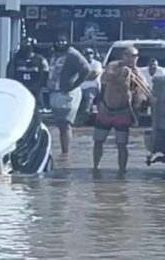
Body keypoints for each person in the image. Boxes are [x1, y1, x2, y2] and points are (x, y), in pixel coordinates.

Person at [93, 46, 152, 174]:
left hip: (123, 111)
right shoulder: (114, 65)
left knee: (122, 144)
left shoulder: (138, 73)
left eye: (134, 56)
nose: (131, 58)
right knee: (98, 141)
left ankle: (121, 171)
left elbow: (145, 91)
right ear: (123, 55)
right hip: (106, 109)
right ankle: (95, 167)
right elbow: (105, 78)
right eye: (128, 55)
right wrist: (120, 73)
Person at [47, 34, 97, 157]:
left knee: (65, 124)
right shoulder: (55, 53)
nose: (61, 43)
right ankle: (64, 152)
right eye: (58, 41)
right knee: (59, 124)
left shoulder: (73, 54)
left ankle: (66, 154)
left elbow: (85, 70)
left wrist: (74, 84)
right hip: (55, 92)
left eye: (63, 41)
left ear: (68, 42)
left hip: (68, 93)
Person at [7, 37, 49, 110]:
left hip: (35, 91)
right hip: (19, 90)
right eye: (24, 43)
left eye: (29, 44)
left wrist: (36, 86)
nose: (27, 46)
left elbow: (44, 76)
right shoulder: (15, 59)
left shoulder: (41, 60)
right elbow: (10, 75)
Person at [79, 48, 103, 123]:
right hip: (79, 87)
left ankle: (83, 120)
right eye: (86, 54)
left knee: (89, 98)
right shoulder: (80, 63)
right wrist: (85, 77)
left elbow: (94, 75)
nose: (89, 55)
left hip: (93, 87)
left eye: (90, 53)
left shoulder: (97, 64)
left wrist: (82, 77)